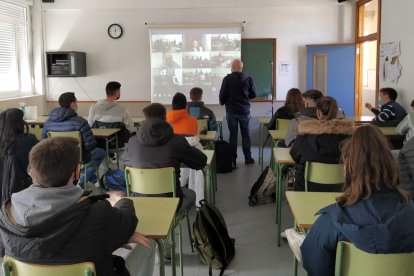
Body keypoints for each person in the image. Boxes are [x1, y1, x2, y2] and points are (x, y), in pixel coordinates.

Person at [0, 137, 155, 276]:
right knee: (149, 244)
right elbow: (128, 223)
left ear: (31, 172)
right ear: (77, 171)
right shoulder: (99, 213)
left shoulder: (7, 213)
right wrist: (121, 201)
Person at [301, 125, 414, 276]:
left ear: (348, 168)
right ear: (391, 164)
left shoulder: (331, 222)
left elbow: (314, 267)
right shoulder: (410, 213)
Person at [123, 103, 207, 210]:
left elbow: (127, 164)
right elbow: (201, 161)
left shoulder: (132, 142)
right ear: (165, 117)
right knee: (191, 193)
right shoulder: (177, 141)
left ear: (146, 118)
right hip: (171, 202)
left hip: (140, 200)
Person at [41, 92, 105, 188]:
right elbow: (90, 145)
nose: (77, 104)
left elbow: (43, 143)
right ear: (72, 104)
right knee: (101, 153)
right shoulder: (80, 122)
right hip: (77, 157)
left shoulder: (48, 123)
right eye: (76, 102)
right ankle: (81, 181)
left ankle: (91, 178)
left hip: (56, 157)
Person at [290, 96, 354, 191]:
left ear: (318, 112)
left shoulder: (304, 136)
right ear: (336, 113)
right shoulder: (350, 138)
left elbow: (295, 155)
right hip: (342, 189)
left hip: (308, 188)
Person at [219, 59, 256, 166]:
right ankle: (248, 158)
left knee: (233, 135)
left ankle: (232, 160)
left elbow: (223, 94)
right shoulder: (248, 78)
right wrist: (245, 98)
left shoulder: (227, 79)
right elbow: (253, 94)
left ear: (232, 67)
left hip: (231, 111)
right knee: (246, 135)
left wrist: (222, 101)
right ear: (241, 68)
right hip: (244, 111)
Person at [88, 81, 134, 149]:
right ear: (117, 92)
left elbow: (90, 125)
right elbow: (130, 127)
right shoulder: (123, 109)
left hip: (99, 141)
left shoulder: (93, 107)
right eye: (119, 91)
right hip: (118, 142)